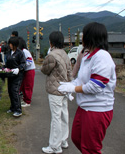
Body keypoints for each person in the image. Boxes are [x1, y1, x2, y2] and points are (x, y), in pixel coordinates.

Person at [58, 22, 116, 154]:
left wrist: (74, 89)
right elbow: (81, 79)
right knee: (77, 138)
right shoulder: (87, 56)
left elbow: (96, 86)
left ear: (91, 36)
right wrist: (70, 85)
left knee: (91, 148)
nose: (82, 37)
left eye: (84, 34)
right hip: (84, 107)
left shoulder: (102, 56)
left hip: (98, 109)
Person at [41, 31, 73, 154]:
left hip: (55, 91)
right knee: (64, 116)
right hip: (65, 89)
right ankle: (63, 141)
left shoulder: (52, 55)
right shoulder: (65, 54)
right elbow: (70, 72)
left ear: (51, 42)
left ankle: (55, 146)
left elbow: (44, 70)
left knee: (56, 118)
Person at [5, 36, 26, 117]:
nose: (9, 45)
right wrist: (5, 68)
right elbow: (7, 63)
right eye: (9, 43)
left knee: (15, 91)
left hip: (18, 75)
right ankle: (13, 107)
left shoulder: (20, 53)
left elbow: (23, 63)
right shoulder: (8, 52)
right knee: (10, 91)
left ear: (15, 44)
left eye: (11, 44)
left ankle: (18, 110)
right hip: (10, 74)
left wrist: (18, 69)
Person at [19, 43, 35, 107]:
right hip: (26, 70)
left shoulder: (25, 51)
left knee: (28, 86)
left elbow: (29, 61)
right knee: (23, 85)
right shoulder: (22, 51)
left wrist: (22, 66)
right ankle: (25, 99)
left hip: (29, 70)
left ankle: (28, 101)